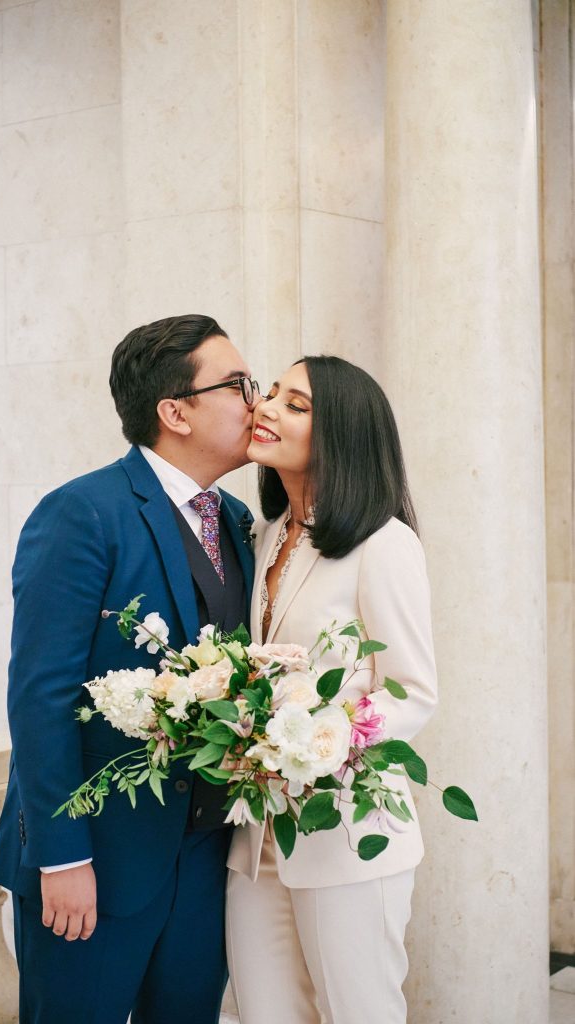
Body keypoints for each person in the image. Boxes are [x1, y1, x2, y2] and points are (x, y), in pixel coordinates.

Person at [0, 314, 260, 1024]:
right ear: (176, 412)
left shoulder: (233, 518)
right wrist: (61, 857)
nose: (254, 401)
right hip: (93, 867)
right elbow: (40, 697)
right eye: (238, 384)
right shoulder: (83, 512)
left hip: (203, 860)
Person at [226, 355, 438, 1024]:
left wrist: (317, 740)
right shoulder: (263, 537)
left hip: (349, 833)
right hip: (254, 842)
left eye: (296, 404)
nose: (266, 410)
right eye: (272, 395)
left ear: (341, 434)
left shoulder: (385, 544)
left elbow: (411, 690)